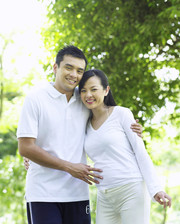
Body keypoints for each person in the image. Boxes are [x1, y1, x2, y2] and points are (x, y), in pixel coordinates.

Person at [17, 45, 142, 224]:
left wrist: (134, 128)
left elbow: (110, 119)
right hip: (43, 194)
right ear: (55, 68)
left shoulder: (84, 98)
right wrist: (68, 167)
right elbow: (25, 147)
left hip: (77, 194)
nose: (74, 75)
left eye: (79, 71)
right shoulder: (35, 98)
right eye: (69, 67)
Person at [79, 69, 172, 224]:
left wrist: (156, 189)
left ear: (106, 90)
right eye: (83, 90)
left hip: (131, 190)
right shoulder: (84, 123)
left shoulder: (121, 114)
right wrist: (31, 156)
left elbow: (140, 152)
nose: (88, 95)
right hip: (104, 195)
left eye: (93, 89)